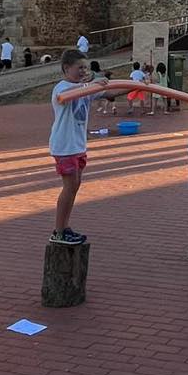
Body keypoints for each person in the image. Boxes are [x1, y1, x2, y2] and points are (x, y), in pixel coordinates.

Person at [48, 48, 121, 244]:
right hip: (64, 146)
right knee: (69, 187)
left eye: (85, 68)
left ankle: (64, 227)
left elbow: (111, 93)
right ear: (66, 68)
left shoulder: (85, 89)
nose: (83, 71)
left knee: (74, 187)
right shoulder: (62, 88)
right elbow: (66, 96)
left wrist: (140, 86)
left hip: (78, 146)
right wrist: (91, 84)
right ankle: (58, 232)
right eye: (79, 67)